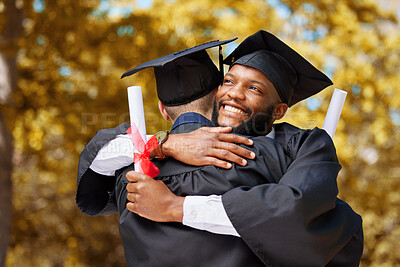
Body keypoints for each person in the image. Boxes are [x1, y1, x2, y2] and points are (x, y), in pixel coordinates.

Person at [77, 31, 363, 266]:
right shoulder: (148, 158)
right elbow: (97, 158)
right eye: (229, 81)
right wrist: (168, 144)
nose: (234, 93)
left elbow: (297, 211)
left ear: (279, 110)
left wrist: (175, 207)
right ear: (216, 94)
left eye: (254, 89)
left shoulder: (299, 146)